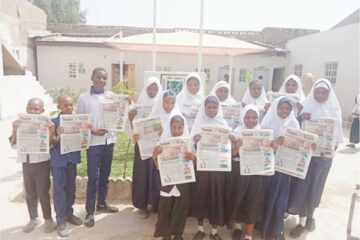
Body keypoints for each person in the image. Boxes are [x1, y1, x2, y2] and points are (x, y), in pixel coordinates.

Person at [287, 78, 344, 238]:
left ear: (329, 93)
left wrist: (331, 150)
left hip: (323, 157)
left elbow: (337, 134)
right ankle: (302, 221)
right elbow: (294, 127)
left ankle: (311, 215)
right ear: (313, 93)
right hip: (305, 154)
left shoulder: (334, 110)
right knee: (302, 186)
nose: (320, 95)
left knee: (316, 187)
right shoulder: (307, 106)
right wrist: (300, 116)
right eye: (317, 92)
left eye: (323, 92)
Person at [77, 68, 119, 228]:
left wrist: (126, 103)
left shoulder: (112, 97)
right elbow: (81, 121)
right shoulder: (84, 98)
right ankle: (89, 211)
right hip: (93, 143)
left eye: (104, 78)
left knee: (105, 175)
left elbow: (118, 116)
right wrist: (93, 131)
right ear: (92, 78)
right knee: (93, 177)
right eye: (98, 77)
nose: (101, 80)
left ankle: (102, 203)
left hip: (109, 141)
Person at [9, 98, 57, 233]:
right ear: (26, 109)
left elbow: (50, 145)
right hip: (27, 162)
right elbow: (13, 144)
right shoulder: (20, 123)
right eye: (30, 108)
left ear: (42, 111)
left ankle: (48, 219)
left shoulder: (47, 124)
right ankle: (34, 218)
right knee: (30, 193)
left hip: (42, 163)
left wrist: (51, 131)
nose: (33, 111)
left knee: (43, 192)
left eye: (36, 109)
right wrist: (14, 129)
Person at [226, 105, 273, 240]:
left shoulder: (264, 134)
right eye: (247, 117)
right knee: (238, 199)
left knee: (253, 202)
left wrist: (272, 146)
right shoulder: (235, 133)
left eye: (254, 117)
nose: (251, 120)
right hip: (239, 173)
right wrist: (237, 147)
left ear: (258, 118)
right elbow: (231, 155)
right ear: (242, 117)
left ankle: (249, 234)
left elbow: (268, 155)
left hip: (256, 175)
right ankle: (238, 228)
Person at [259, 96, 301, 240]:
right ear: (275, 108)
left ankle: (277, 230)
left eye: (288, 108)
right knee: (266, 196)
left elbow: (299, 146)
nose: (285, 111)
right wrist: (274, 144)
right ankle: (263, 227)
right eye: (281, 108)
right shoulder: (268, 122)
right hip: (268, 167)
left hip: (284, 170)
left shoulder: (294, 124)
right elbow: (260, 144)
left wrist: (308, 147)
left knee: (280, 199)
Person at [50, 95, 90, 237]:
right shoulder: (53, 123)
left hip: (72, 160)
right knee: (59, 190)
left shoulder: (78, 121)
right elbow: (49, 144)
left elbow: (83, 140)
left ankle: (68, 214)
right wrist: (58, 135)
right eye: (66, 105)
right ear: (59, 106)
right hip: (58, 162)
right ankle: (60, 221)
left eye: (71, 105)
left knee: (71, 189)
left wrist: (86, 132)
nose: (69, 108)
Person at [190, 95, 229, 240]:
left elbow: (228, 149)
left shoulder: (223, 124)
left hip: (218, 171)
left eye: (214, 107)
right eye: (209, 107)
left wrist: (230, 141)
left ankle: (214, 231)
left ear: (218, 108)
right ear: (204, 108)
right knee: (201, 198)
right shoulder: (199, 123)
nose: (212, 110)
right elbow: (191, 144)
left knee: (216, 199)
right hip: (203, 169)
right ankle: (200, 229)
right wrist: (195, 141)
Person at [153, 115, 195, 240]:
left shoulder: (188, 143)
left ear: (184, 128)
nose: (177, 131)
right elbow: (157, 164)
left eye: (180, 127)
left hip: (182, 182)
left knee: (180, 210)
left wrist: (193, 158)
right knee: (165, 209)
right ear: (169, 128)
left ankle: (178, 234)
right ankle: (165, 235)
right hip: (167, 182)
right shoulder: (162, 143)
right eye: (174, 127)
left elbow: (194, 163)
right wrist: (155, 154)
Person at [126, 76, 162, 218]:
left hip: (156, 146)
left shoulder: (161, 105)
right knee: (142, 175)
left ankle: (155, 204)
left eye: (155, 88)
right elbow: (131, 129)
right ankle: (141, 206)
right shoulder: (138, 106)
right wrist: (130, 119)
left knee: (156, 175)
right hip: (141, 146)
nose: (152, 91)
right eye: (149, 88)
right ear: (145, 89)